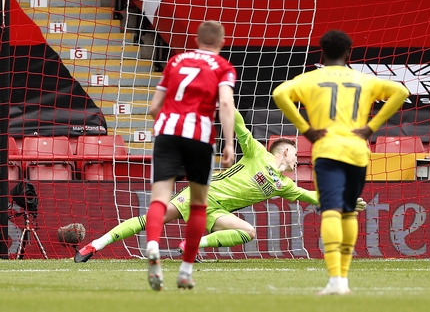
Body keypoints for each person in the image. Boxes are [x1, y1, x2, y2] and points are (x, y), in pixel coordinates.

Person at [74, 109, 366, 263]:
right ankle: (93, 245)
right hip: (201, 195)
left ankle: (192, 245)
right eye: (296, 152)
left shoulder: (283, 184)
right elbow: (239, 127)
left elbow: (313, 197)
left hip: (217, 211)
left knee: (248, 232)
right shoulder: (258, 153)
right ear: (285, 151)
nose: (298, 158)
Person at [273, 29, 409, 295]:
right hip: (358, 152)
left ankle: (336, 280)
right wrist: (371, 127)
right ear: (349, 52)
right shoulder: (363, 80)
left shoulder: (310, 79)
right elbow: (401, 91)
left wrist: (305, 128)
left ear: (321, 52)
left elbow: (279, 94)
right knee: (348, 212)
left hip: (328, 151)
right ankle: (343, 280)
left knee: (331, 212)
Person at [143, 20, 236, 291]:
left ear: (197, 40)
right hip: (199, 136)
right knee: (198, 205)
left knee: (159, 198)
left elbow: (153, 108)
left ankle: (152, 246)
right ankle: (185, 270)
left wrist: (167, 123)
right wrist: (229, 144)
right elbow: (226, 103)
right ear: (221, 42)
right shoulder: (223, 67)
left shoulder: (175, 61)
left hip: (167, 133)